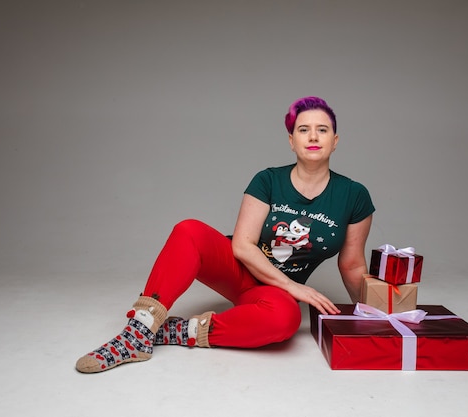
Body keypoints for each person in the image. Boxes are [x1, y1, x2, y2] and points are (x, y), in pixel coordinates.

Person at [75, 96, 375, 373]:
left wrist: (377, 317)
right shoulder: (268, 180)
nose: (312, 137)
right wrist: (293, 286)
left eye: (322, 130)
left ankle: (178, 331)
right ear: (291, 141)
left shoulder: (354, 195)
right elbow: (243, 246)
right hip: (236, 269)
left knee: (286, 320)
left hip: (272, 293)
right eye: (303, 130)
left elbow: (352, 265)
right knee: (188, 229)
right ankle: (138, 333)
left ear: (334, 141)